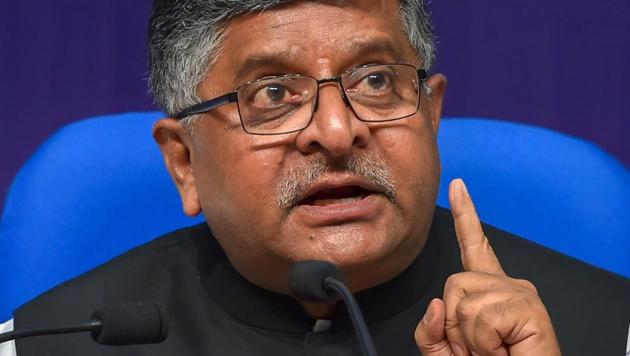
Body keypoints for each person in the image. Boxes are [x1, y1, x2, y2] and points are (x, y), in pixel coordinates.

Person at [2, 0, 629, 355]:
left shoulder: (610, 332)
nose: (335, 131)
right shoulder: (46, 346)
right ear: (184, 162)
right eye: (272, 92)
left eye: (376, 81)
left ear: (431, 118)